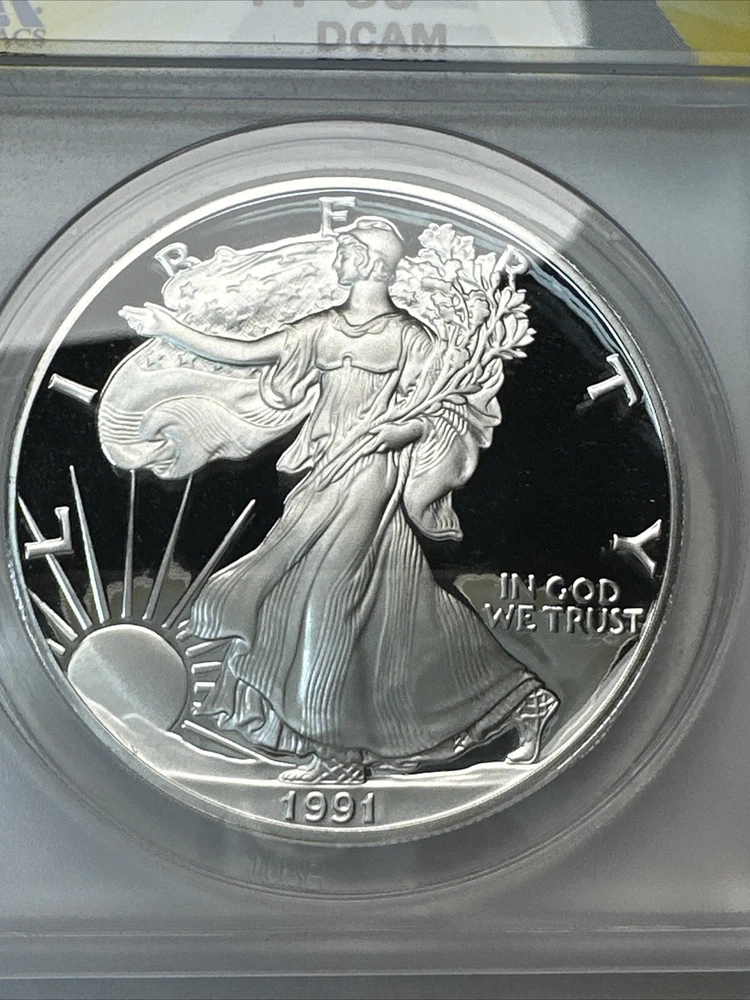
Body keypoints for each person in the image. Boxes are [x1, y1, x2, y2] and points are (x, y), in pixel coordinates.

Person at [120, 217, 558, 784]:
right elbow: (247, 353)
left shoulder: (409, 338)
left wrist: (403, 430)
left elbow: (445, 409)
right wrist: (171, 329)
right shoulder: (322, 329)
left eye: (347, 251)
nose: (338, 259)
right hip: (325, 472)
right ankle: (521, 700)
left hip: (372, 476)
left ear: (371, 263)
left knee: (326, 600)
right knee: (400, 609)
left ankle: (337, 753)